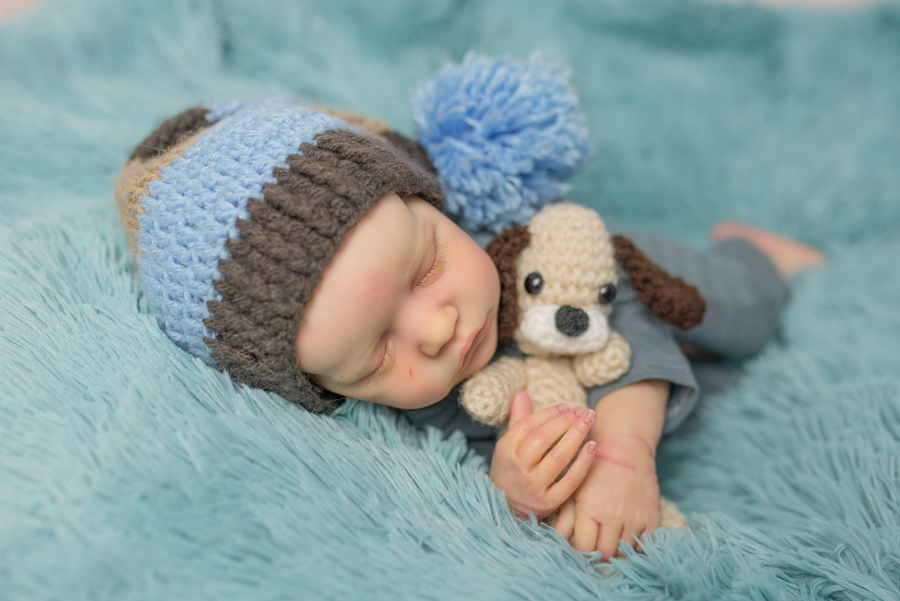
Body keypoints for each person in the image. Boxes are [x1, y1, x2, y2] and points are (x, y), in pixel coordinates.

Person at [116, 98, 825, 561]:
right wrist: (516, 489)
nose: (435, 329)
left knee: (747, 316)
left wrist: (621, 457)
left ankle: (752, 253)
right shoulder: (390, 427)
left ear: (426, 198)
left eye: (426, 267)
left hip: (631, 283)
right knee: (722, 392)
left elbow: (631, 329)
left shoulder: (517, 256)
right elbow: (465, 473)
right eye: (376, 355)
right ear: (323, 390)